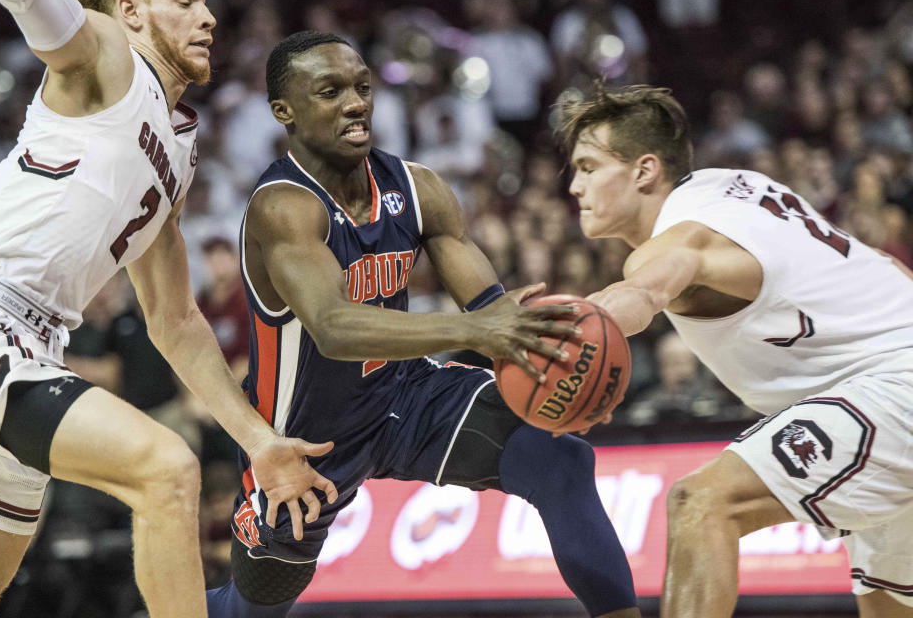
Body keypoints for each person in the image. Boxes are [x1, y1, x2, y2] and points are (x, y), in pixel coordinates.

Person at [205, 31, 640, 618]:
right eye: (329, 92)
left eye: (362, 87)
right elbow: (334, 328)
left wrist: (571, 382)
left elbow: (495, 316)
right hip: (302, 439)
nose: (355, 103)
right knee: (253, 611)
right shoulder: (283, 207)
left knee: (560, 459)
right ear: (284, 112)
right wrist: (473, 331)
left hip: (403, 395)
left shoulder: (417, 188)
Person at [0, 0, 338, 617]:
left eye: (207, 1)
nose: (208, 17)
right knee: (167, 470)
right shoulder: (109, 54)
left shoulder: (177, 147)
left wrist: (258, 440)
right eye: (185, 0)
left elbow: (176, 318)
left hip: (35, 348)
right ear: (130, 11)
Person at [558, 80, 913, 617]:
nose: (574, 187)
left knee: (701, 503)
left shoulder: (682, 237)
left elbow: (644, 291)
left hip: (893, 390)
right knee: (887, 605)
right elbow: (883, 267)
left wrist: (566, 337)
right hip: (881, 392)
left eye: (587, 167)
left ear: (644, 170)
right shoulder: (736, 185)